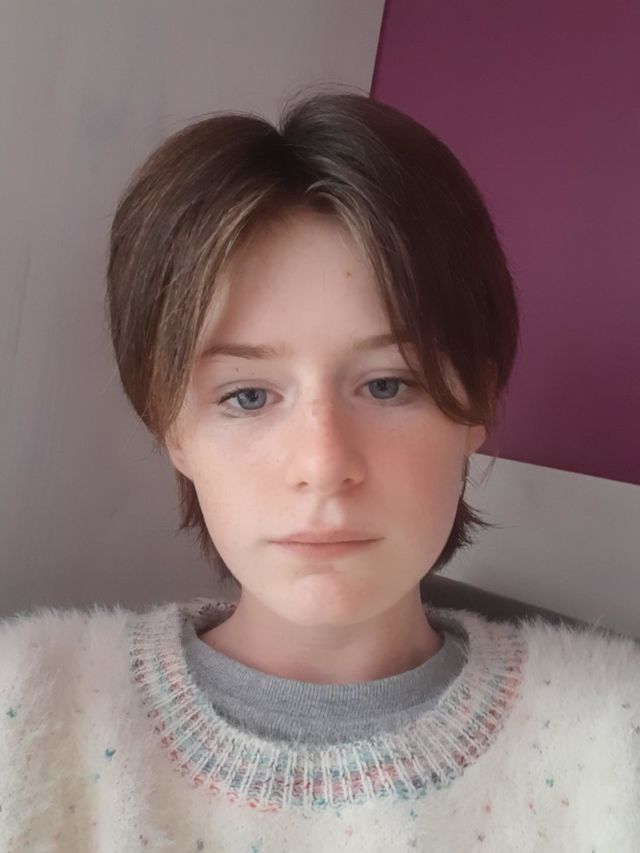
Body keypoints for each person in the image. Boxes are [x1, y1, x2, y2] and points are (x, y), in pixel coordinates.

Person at [1, 89, 638, 851]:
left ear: (476, 403)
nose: (323, 464)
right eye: (247, 395)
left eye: (387, 384)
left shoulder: (616, 736)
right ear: (171, 428)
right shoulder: (27, 701)